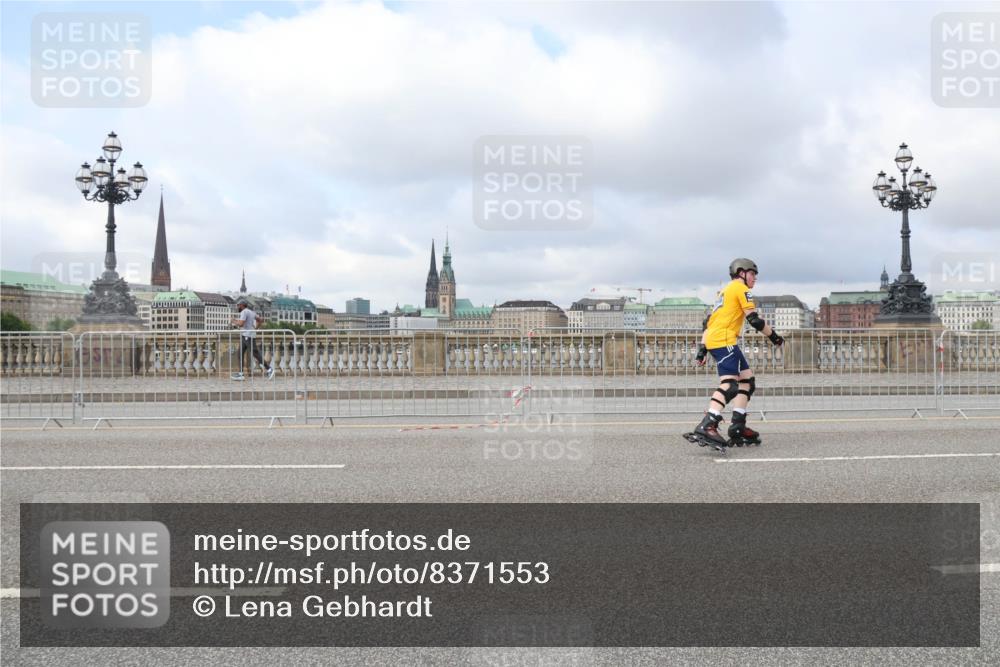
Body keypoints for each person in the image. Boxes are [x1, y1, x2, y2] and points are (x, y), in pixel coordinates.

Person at [687, 258, 783, 452]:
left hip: (720, 338)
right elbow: (754, 320)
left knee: (747, 381)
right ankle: (708, 423)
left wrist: (703, 348)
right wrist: (775, 337)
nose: (755, 278)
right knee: (730, 384)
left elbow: (708, 323)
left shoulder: (724, 291)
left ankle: (737, 426)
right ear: (741, 273)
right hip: (724, 339)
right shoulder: (741, 289)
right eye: (753, 274)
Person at [231, 302, 275, 381]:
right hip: (246, 335)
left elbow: (241, 324)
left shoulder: (244, 312)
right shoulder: (251, 312)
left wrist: (233, 321)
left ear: (242, 305)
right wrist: (255, 328)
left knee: (255, 354)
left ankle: (269, 369)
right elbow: (260, 320)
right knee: (240, 353)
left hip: (248, 336)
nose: (237, 307)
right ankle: (241, 374)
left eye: (238, 305)